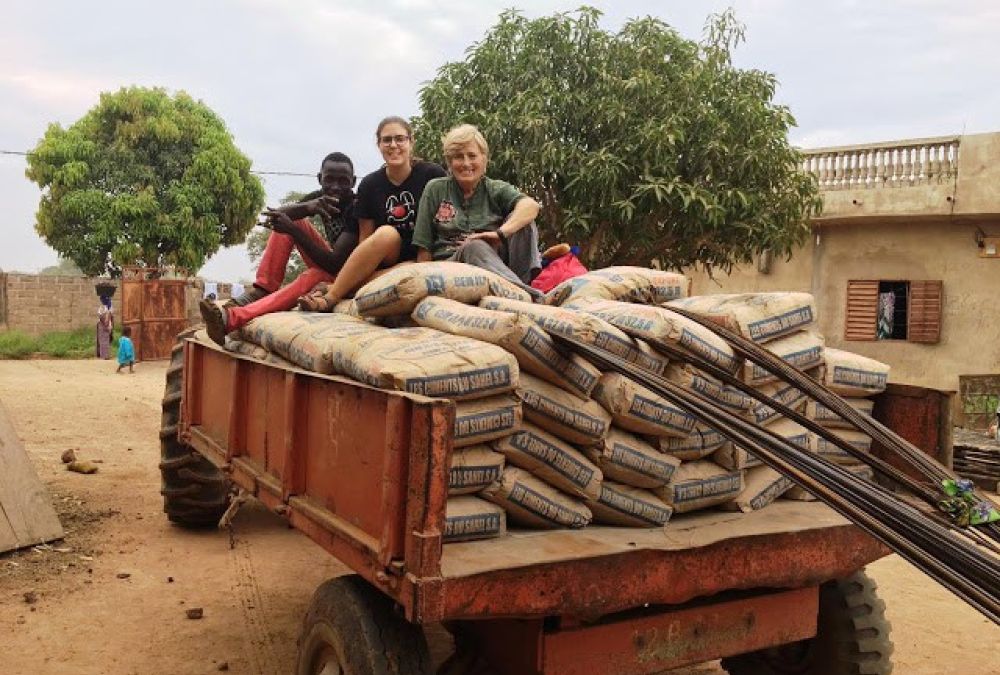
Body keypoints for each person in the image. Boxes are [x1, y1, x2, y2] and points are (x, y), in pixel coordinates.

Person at [199, 152, 361, 345]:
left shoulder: (357, 207)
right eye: (329, 180)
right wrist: (307, 208)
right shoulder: (320, 199)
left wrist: (292, 228)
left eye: (343, 181)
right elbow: (274, 216)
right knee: (290, 220)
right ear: (320, 179)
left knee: (315, 275)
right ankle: (264, 288)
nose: (335, 187)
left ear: (353, 182)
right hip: (332, 264)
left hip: (350, 273)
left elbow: (336, 265)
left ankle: (235, 318)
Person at [297, 116, 447, 311]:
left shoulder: (431, 175)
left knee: (409, 269)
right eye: (387, 140)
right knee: (386, 233)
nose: (394, 145)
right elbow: (365, 240)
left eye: (400, 139)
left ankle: (341, 288)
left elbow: (445, 220)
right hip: (389, 258)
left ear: (411, 142)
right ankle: (331, 298)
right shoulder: (370, 185)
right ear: (379, 145)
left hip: (425, 255)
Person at [411, 124, 542, 298]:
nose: (466, 163)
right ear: (450, 163)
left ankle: (520, 286)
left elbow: (531, 206)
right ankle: (527, 295)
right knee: (474, 246)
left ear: (484, 160)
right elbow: (423, 249)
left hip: (498, 266)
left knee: (523, 223)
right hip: (452, 267)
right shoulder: (436, 189)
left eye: (472, 156)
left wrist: (499, 234)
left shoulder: (495, 188)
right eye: (458, 157)